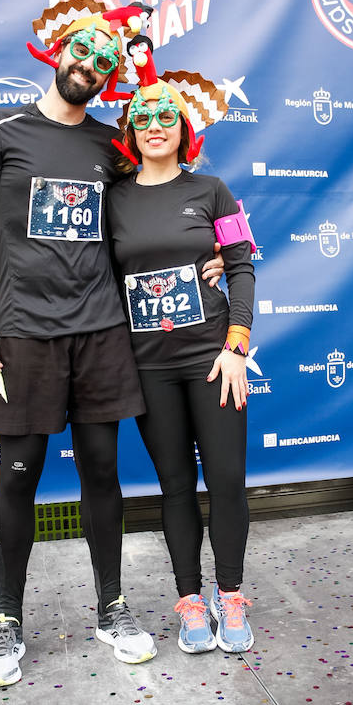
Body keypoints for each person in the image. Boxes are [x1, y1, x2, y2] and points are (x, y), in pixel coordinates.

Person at [0, 0, 225, 686]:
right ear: (57, 53)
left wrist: (213, 254)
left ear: (110, 77)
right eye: (82, 53)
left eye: (105, 63)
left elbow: (160, 204)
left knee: (101, 473)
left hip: (102, 333)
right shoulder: (1, 126)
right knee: (17, 476)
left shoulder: (111, 144)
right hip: (21, 334)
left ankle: (113, 608)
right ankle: (8, 622)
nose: (90, 67)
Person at [107, 64, 256, 655]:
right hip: (148, 366)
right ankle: (191, 601)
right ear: (131, 132)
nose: (155, 126)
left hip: (213, 358)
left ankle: (231, 594)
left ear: (184, 127)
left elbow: (241, 263)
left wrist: (237, 346)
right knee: (174, 486)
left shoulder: (212, 189)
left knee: (226, 481)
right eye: (142, 118)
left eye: (166, 115)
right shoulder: (112, 200)